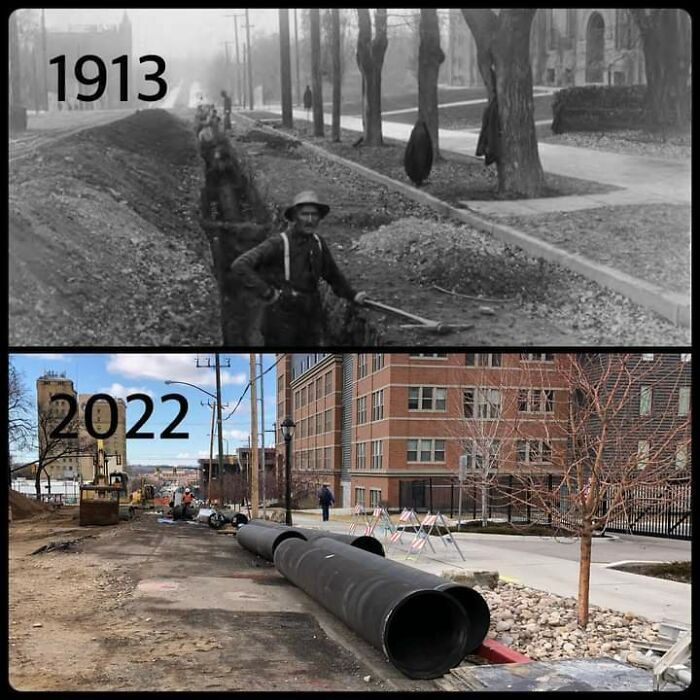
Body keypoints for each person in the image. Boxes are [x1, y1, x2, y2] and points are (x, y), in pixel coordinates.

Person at [229, 190, 368, 345]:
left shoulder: (318, 243)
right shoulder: (279, 243)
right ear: (295, 217)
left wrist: (353, 295)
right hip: (282, 319)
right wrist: (268, 293)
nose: (309, 220)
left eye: (314, 215)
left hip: (310, 317)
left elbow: (333, 275)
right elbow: (240, 265)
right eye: (304, 214)